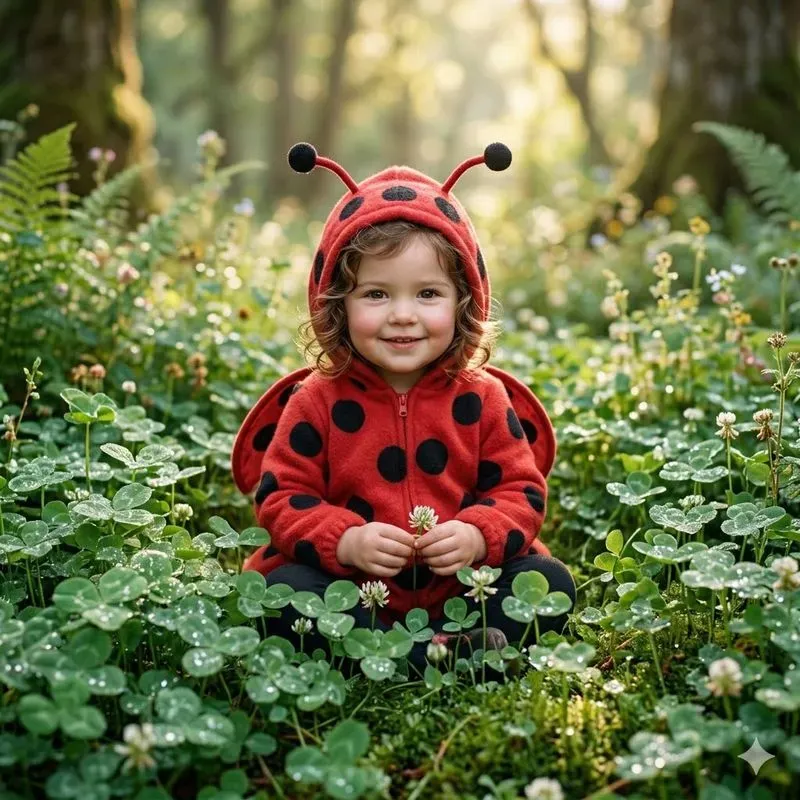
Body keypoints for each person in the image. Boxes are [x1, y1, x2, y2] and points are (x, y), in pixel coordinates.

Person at [231, 142, 576, 680]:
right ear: (335, 304)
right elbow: (281, 498)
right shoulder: (316, 401)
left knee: (548, 583)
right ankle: (428, 656)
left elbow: (521, 492)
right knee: (280, 594)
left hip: (466, 588)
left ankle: (420, 651)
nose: (402, 315)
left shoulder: (483, 397)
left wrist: (477, 535)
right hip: (349, 592)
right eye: (375, 294)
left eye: (428, 293)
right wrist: (344, 540)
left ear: (465, 301)